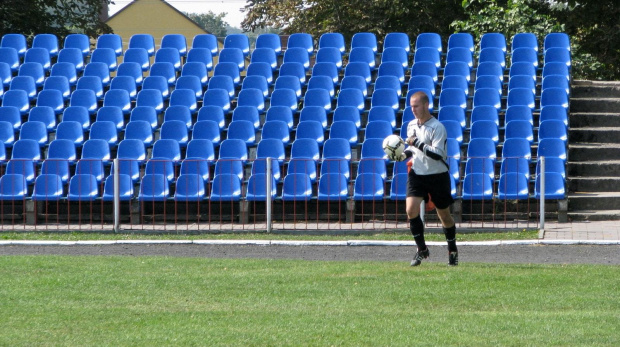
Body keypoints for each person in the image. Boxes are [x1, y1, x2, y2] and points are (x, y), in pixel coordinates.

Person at [393, 91, 458, 266]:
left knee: (444, 215)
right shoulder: (411, 125)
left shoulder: (437, 127)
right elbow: (413, 151)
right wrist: (401, 154)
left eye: (416, 106)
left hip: (437, 176)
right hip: (417, 174)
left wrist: (417, 144)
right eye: (411, 106)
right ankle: (421, 249)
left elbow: (438, 154)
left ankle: (452, 250)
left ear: (426, 105)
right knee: (410, 210)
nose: (413, 109)